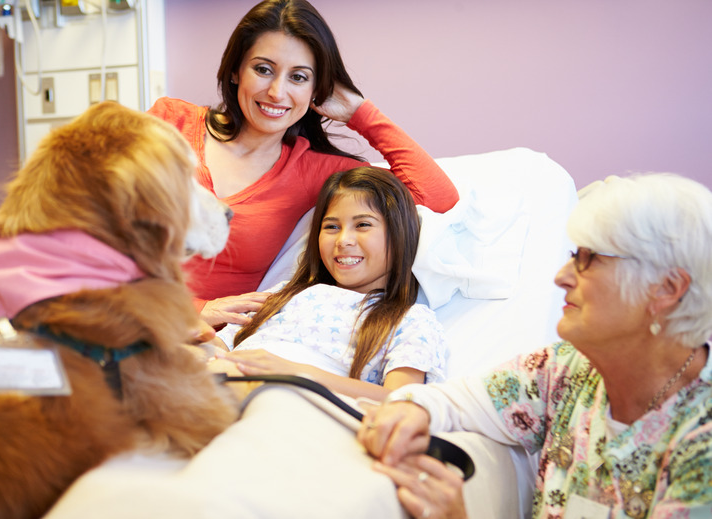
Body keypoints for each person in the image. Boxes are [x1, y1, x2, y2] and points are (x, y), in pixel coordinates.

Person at [357, 173, 712, 518]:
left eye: (589, 259)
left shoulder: (703, 441)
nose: (562, 276)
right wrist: (410, 411)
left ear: (667, 288)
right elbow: (453, 402)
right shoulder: (566, 369)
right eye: (574, 255)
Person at [148, 0, 459, 328]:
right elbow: (96, 223)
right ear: (236, 70)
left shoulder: (315, 171)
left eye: (298, 77)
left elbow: (436, 197)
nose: (276, 92)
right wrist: (196, 309)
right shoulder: (170, 122)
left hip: (204, 346)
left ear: (317, 91)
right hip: (122, 314)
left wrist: (360, 113)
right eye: (263, 69)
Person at [209, 167, 448, 401]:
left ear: (399, 234)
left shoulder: (410, 319)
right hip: (223, 381)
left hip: (298, 400)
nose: (344, 240)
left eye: (363, 224)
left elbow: (403, 401)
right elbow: (219, 346)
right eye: (332, 227)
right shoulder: (284, 294)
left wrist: (298, 372)